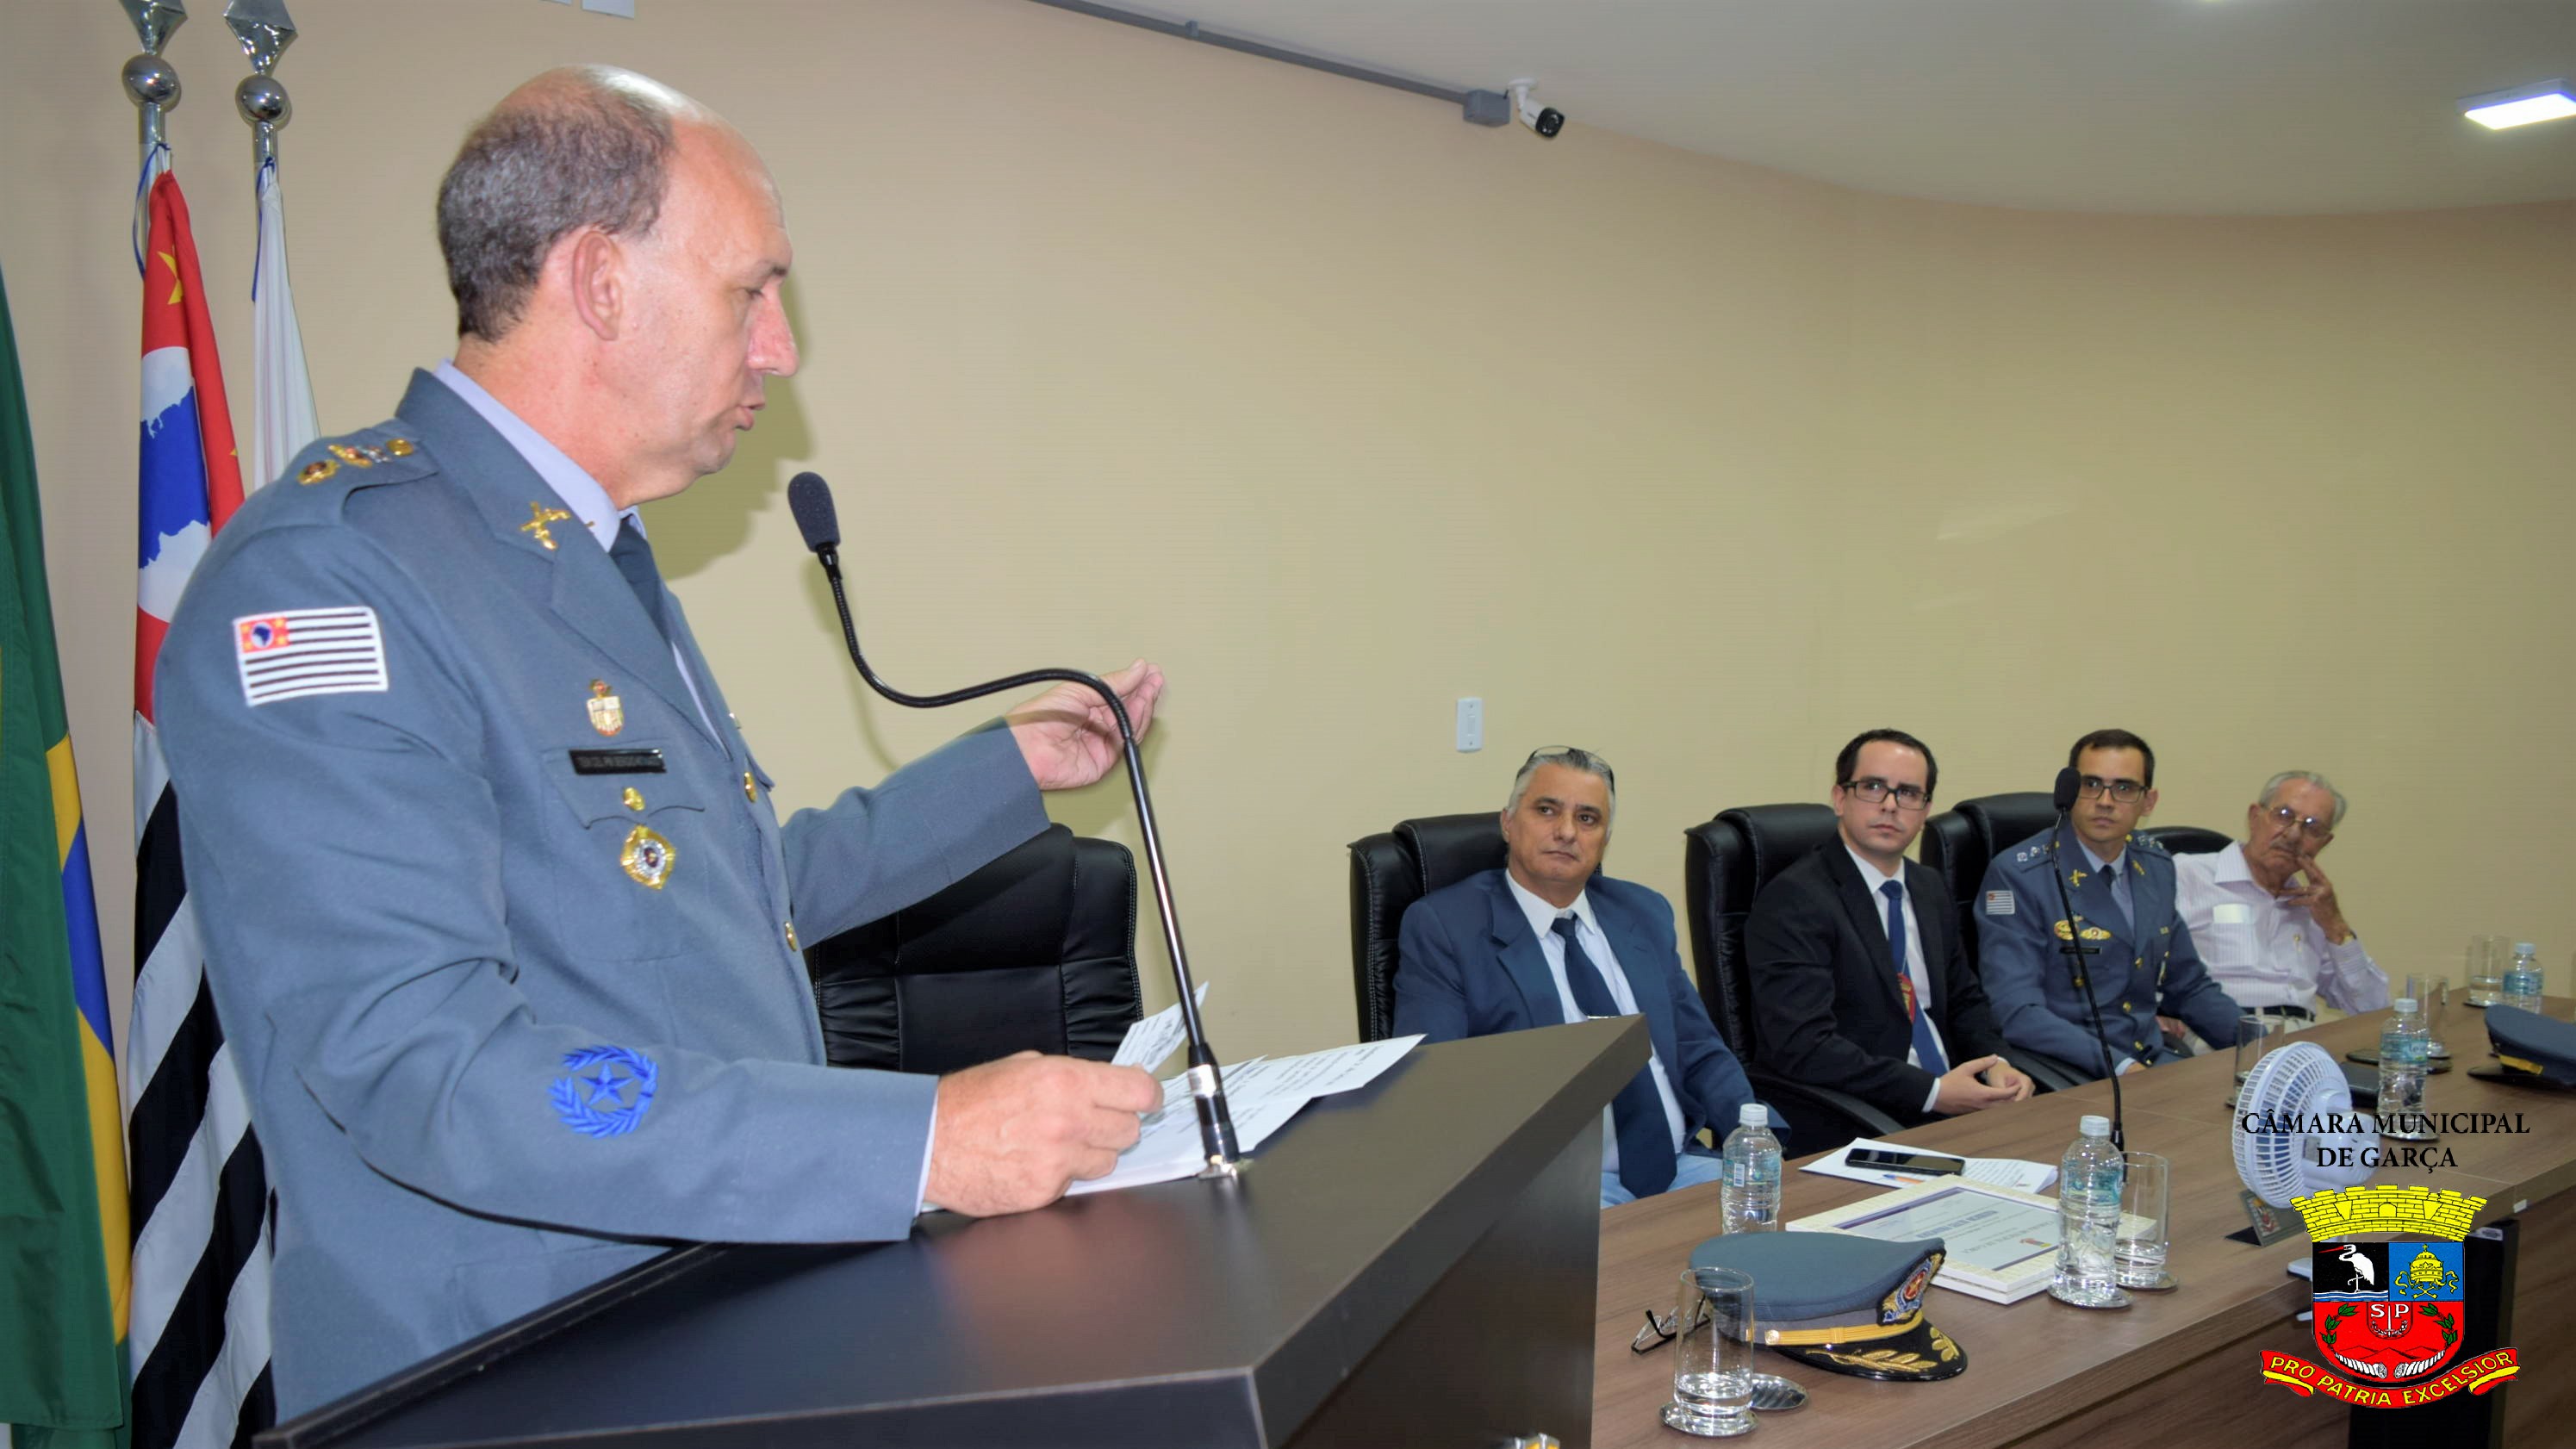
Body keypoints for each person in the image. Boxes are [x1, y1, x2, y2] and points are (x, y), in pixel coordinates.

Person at [155, 67, 1164, 1414]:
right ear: (600, 283)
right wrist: (919, 1141)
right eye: (753, 291)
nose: (780, 348)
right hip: (514, 1376)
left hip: (712, 1326)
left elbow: (716, 898)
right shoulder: (331, 577)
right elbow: (429, 1065)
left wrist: (1008, 771)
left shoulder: (587, 554)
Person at [1392, 747, 1770, 1207]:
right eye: (1547, 810)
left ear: (1604, 840)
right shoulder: (1445, 926)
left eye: (1587, 818)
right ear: (1508, 823)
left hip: (1682, 1165)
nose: (1567, 832)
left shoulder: (1644, 912)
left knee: (1791, 1231)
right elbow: (1434, 1085)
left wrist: (1760, 1142)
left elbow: (1698, 1047)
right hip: (1554, 1187)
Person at [1745, 730, 2030, 1126]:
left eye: (1909, 793)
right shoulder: (1795, 899)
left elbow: (1964, 999)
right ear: (1840, 798)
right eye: (1873, 787)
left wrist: (1997, 1062)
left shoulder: (1929, 886)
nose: (1891, 805)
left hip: (1956, 1100)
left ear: (1925, 810)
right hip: (1863, 1111)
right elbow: (1803, 1045)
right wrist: (1932, 1093)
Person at [1977, 730, 2243, 1078]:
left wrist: (2263, 1048)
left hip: (2150, 1059)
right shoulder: (2018, 875)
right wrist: (2122, 1066)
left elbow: (2189, 986)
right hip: (2069, 1069)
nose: (2105, 801)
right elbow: (2016, 1010)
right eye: (2091, 784)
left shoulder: (2156, 866)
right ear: (2069, 791)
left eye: (2124, 788)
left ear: (2148, 802)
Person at [2175, 771, 2389, 1019]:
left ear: (2324, 843)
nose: (2294, 835)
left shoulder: (2315, 908)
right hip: (2218, 1030)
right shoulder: (2185, 875)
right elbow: (2142, 962)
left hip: (2301, 1035)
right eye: (2284, 816)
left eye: (2312, 827)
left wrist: (2336, 927)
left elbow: (2374, 1009)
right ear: (2255, 817)